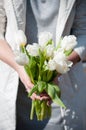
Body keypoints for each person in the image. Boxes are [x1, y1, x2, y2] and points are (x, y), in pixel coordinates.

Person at [0, 0, 86, 130]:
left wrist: (57, 69)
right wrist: (21, 69)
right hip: (15, 91)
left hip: (65, 88)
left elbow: (83, 32)